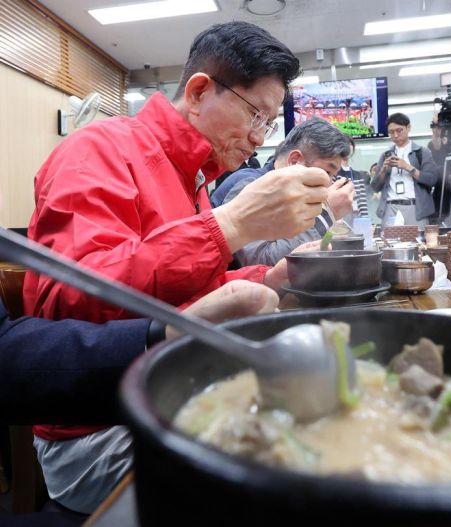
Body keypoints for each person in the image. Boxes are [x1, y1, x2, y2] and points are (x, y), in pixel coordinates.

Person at [22, 21, 330, 514]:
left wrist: (269, 276)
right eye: (256, 114)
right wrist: (228, 225)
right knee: (291, 471)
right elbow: (65, 304)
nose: (258, 137)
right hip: (97, 425)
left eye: (268, 124)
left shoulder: (196, 179)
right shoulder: (98, 148)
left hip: (173, 386)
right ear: (199, 91)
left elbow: (186, 295)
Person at [1, 280, 277, 425]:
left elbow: (194, 289)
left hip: (163, 384)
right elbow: (73, 299)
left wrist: (262, 278)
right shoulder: (83, 171)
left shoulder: (196, 183)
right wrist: (227, 226)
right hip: (87, 426)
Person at [218, 119, 354, 266]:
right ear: (295, 160)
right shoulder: (248, 184)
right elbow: (261, 262)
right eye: (326, 172)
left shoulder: (297, 196)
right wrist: (326, 215)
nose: (329, 183)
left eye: (333, 176)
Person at [371, 112, 437, 228]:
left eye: (399, 130)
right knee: (389, 244)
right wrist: (383, 170)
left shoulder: (422, 152)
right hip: (390, 207)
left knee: (418, 243)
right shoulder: (385, 155)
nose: (395, 135)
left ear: (408, 127)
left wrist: (408, 167)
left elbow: (431, 180)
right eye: (391, 132)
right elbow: (375, 187)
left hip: (415, 208)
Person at [337, 136, 370, 220]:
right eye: (344, 144)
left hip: (356, 217)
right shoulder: (333, 173)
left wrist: (365, 221)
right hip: (340, 217)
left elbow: (362, 204)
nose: (347, 147)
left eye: (350, 144)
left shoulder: (358, 175)